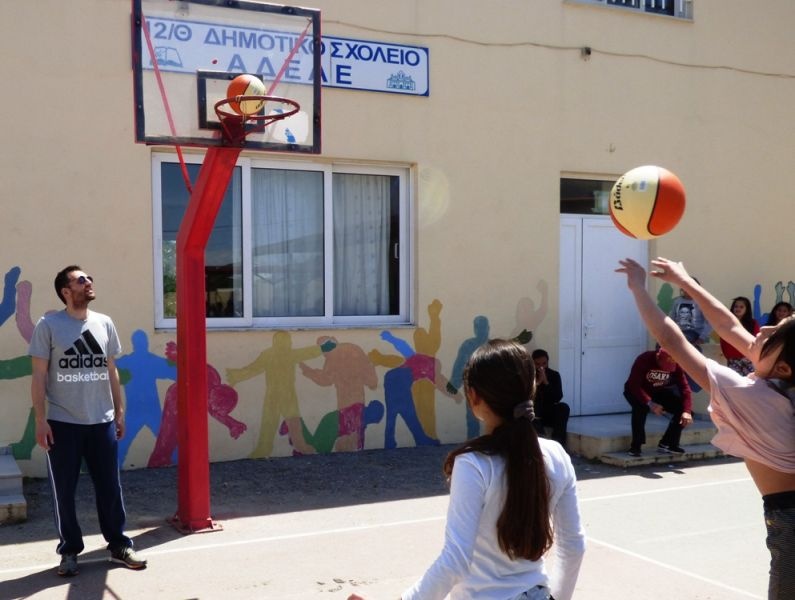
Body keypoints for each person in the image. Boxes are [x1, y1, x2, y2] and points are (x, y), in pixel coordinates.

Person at [348, 339, 585, 600]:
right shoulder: (557, 455)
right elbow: (573, 547)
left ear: (473, 396)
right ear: (532, 388)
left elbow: (455, 561)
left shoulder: (474, 463)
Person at [617, 257, 795, 599]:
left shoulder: (753, 397)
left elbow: (674, 341)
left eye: (773, 334)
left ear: (783, 366)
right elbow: (729, 326)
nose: (763, 329)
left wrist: (638, 289)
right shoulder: (783, 380)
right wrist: (686, 281)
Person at [29, 266, 146, 577]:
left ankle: (119, 545)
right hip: (63, 423)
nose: (89, 282)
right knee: (64, 491)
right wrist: (41, 420)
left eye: (89, 277)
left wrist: (119, 412)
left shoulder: (104, 323)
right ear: (66, 291)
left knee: (109, 486)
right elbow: (39, 375)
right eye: (81, 279)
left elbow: (112, 371)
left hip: (101, 422)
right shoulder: (49, 326)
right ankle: (69, 550)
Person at [623, 346, 693, 457]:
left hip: (658, 391)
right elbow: (634, 385)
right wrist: (650, 403)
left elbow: (685, 388)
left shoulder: (676, 364)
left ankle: (667, 444)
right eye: (665, 366)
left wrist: (687, 411)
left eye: (669, 368)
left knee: (683, 410)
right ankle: (636, 446)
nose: (666, 370)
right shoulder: (644, 359)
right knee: (641, 408)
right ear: (657, 357)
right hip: (635, 391)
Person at [530, 349, 570, 449]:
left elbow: (558, 396)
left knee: (563, 407)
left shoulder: (554, 375)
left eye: (544, 363)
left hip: (548, 411)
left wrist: (546, 382)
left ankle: (558, 442)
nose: (541, 367)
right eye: (537, 364)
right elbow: (527, 396)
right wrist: (538, 383)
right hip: (534, 415)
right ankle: (539, 438)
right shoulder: (529, 375)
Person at [720, 296, 759, 376]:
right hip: (733, 360)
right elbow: (723, 340)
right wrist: (728, 356)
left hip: (749, 359)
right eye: (736, 306)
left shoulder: (753, 323)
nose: (738, 309)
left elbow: (756, 340)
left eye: (741, 307)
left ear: (746, 309)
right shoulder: (727, 323)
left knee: (750, 382)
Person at [669, 280, 710, 345]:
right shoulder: (677, 301)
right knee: (662, 341)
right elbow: (671, 319)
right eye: (685, 287)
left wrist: (702, 338)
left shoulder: (701, 302)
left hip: (694, 332)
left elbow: (709, 322)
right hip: (679, 332)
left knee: (684, 338)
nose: (687, 290)